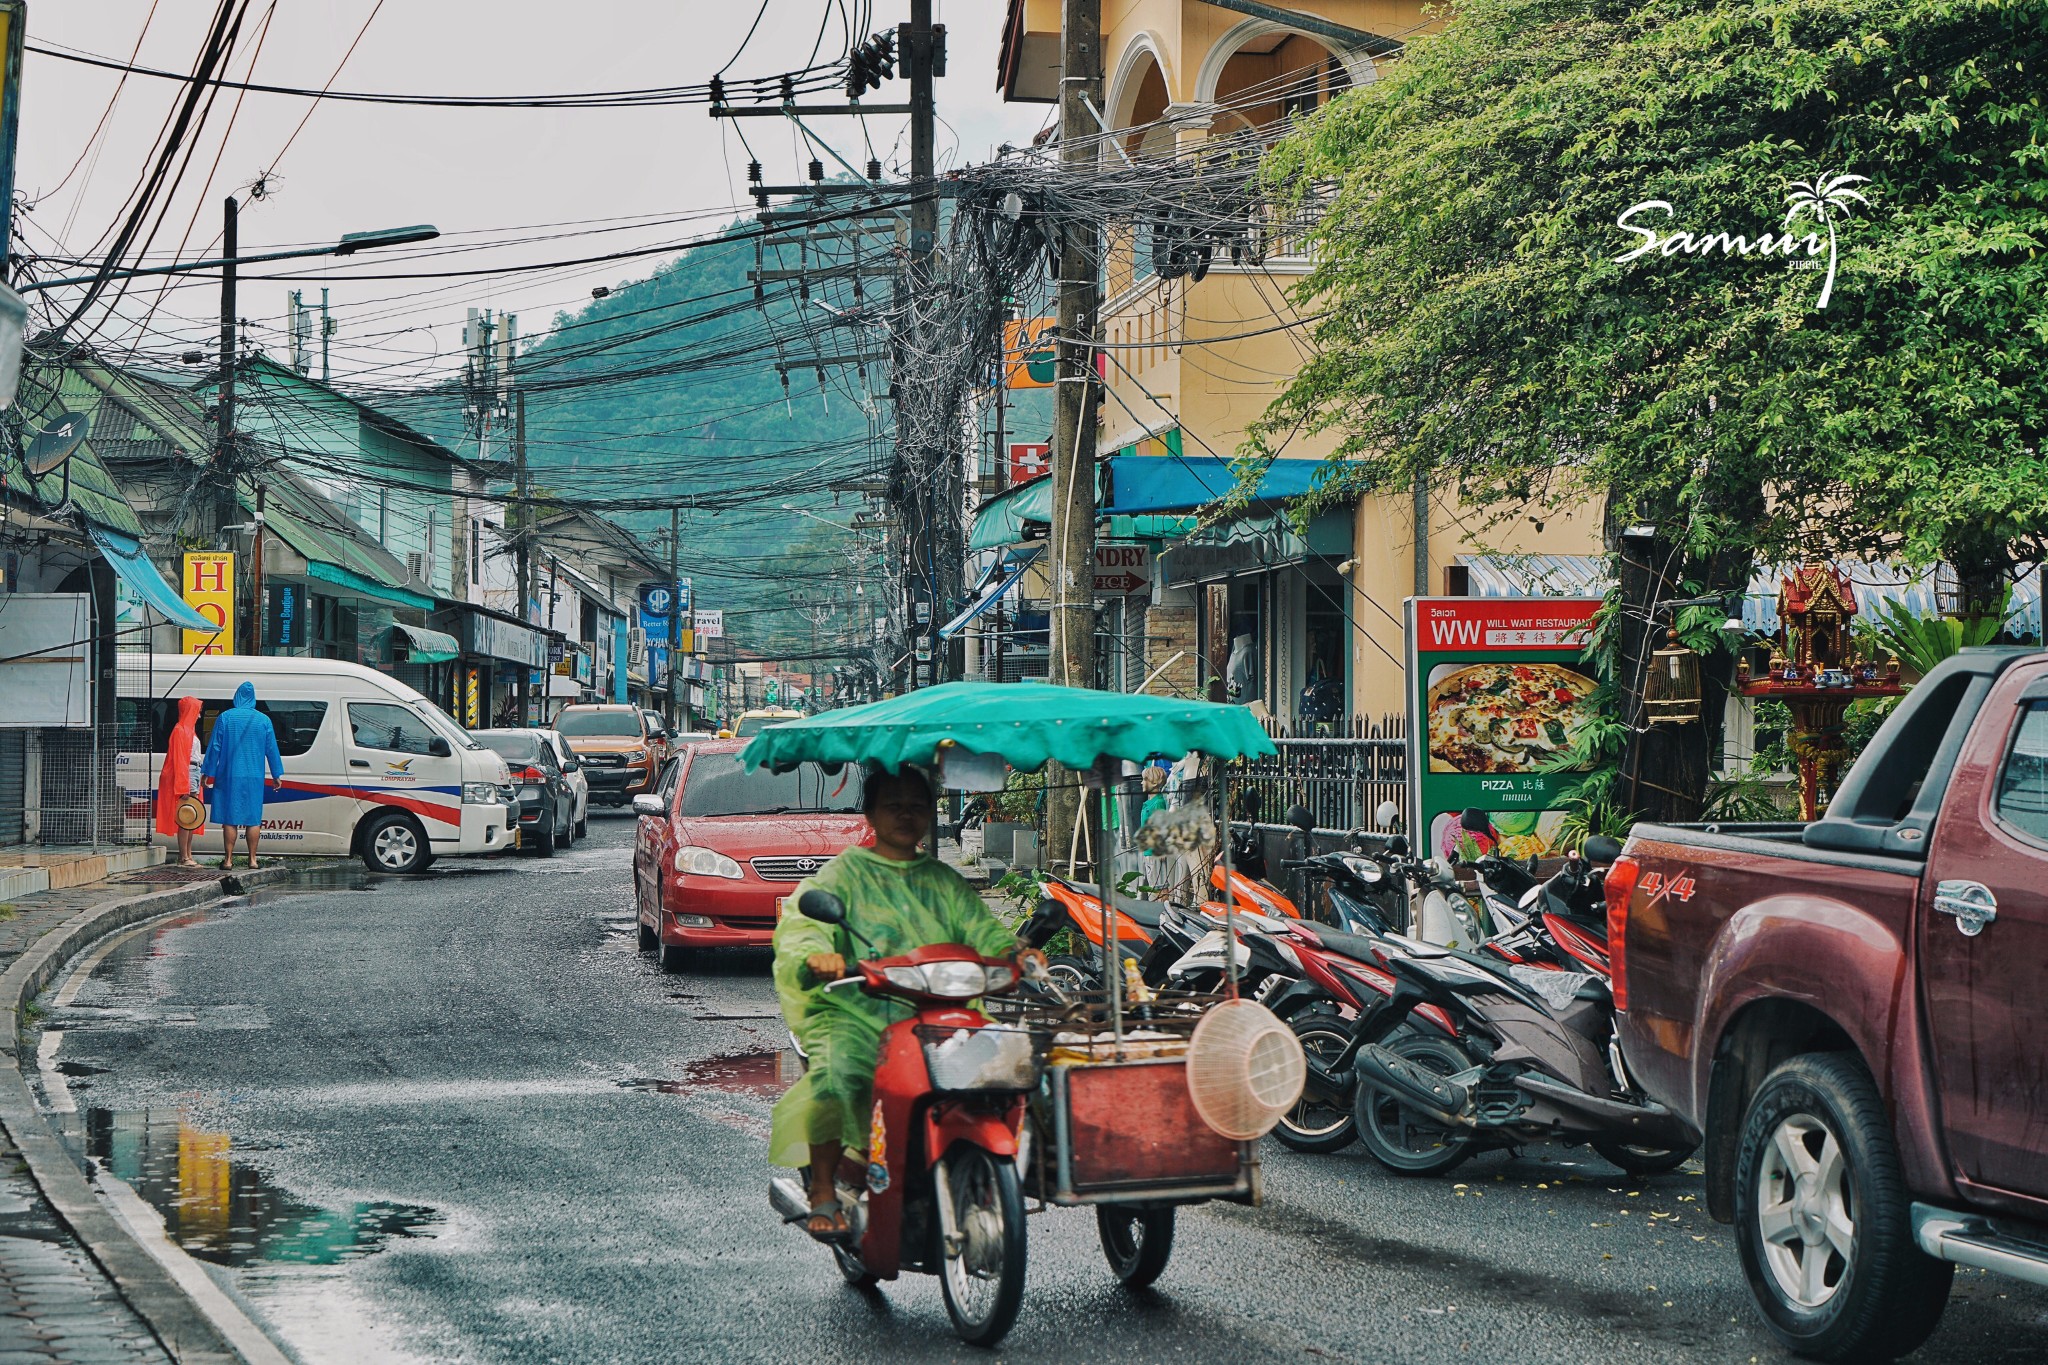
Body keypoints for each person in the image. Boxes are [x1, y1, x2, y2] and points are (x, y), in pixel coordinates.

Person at [769, 764, 1039, 1240]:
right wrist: (818, 956)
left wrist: (1015, 952)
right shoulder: (844, 874)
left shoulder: (944, 881)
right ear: (871, 812)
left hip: (941, 1010)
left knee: (1009, 1070)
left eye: (917, 805)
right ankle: (825, 1188)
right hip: (859, 1010)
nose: (906, 815)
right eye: (893, 805)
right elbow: (802, 925)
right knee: (838, 1076)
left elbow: (984, 930)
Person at [201, 682, 284, 870]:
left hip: (229, 775)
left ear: (237, 696)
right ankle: (253, 859)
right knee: (253, 818)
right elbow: (272, 749)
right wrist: (276, 774)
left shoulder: (225, 718)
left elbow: (215, 747)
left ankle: (228, 860)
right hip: (254, 776)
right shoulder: (264, 720)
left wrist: (208, 772)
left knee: (230, 818)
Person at [152, 696, 206, 867]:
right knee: (187, 816)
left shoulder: (187, 730)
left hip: (193, 770)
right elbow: (180, 760)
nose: (198, 716)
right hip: (189, 771)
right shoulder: (181, 730)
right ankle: (184, 856)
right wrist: (183, 786)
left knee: (192, 816)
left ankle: (187, 854)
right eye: (197, 711)